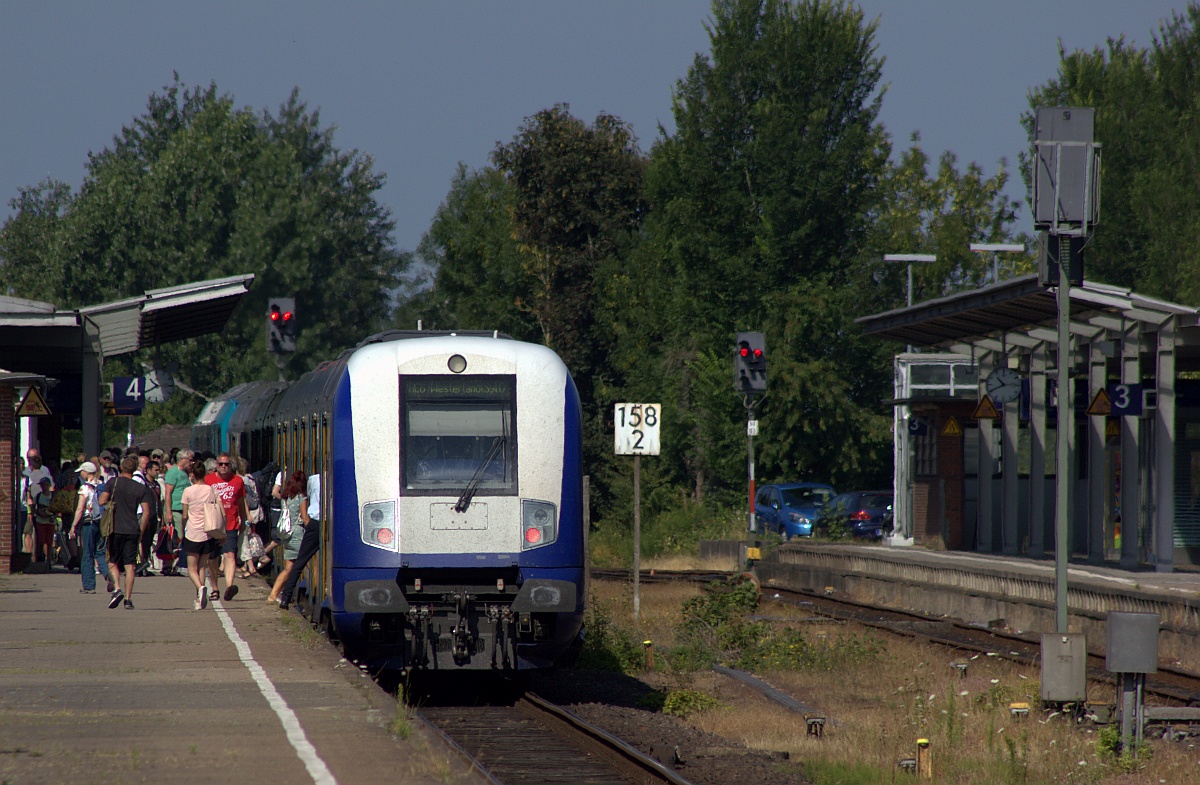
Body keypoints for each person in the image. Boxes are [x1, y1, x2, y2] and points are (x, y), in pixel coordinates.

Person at [98, 456, 155, 610]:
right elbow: (147, 512)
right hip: (132, 529)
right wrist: (140, 531)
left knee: (112, 560)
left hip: (115, 528)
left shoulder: (113, 483)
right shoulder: (141, 488)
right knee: (130, 565)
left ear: (122, 468)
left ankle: (117, 588)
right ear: (135, 468)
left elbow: (101, 501)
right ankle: (128, 599)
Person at [205, 452, 249, 601]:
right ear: (216, 466)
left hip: (231, 524)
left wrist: (243, 520)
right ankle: (215, 588)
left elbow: (241, 502)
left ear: (231, 466)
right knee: (212, 559)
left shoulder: (238, 481)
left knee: (230, 555)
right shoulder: (208, 480)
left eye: (226, 464)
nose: (223, 467)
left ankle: (229, 586)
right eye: (221, 464)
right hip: (213, 524)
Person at [277, 472, 321, 610]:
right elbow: (304, 515)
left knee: (298, 564)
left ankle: (285, 598)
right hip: (321, 523)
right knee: (311, 564)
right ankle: (318, 589)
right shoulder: (332, 477)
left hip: (313, 524)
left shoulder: (313, 480)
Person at [181, 461, 220, 610]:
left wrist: (182, 529)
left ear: (192, 475)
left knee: (191, 569)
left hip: (193, 532)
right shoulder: (211, 490)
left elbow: (185, 515)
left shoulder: (188, 491)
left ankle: (200, 588)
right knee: (201, 567)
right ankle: (199, 598)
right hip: (208, 533)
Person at [267, 471, 310, 605]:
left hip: (287, 535)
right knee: (308, 564)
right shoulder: (301, 497)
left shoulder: (286, 497)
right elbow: (304, 517)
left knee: (289, 567)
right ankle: (313, 588)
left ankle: (273, 595)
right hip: (297, 534)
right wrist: (311, 527)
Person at [69, 461, 112, 594]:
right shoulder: (102, 486)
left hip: (89, 522)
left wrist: (73, 526)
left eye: (82, 472)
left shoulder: (85, 488)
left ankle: (89, 585)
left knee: (87, 553)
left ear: (87, 473)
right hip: (101, 522)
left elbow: (80, 509)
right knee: (100, 552)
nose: (80, 475)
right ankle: (109, 575)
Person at [22, 449, 54, 555]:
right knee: (42, 536)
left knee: (33, 533)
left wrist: (30, 510)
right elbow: (52, 490)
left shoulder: (29, 476)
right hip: (41, 508)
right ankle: (43, 558)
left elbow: (28, 493)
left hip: (33, 507)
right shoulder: (43, 474)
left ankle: (33, 557)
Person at [31, 477, 57, 565]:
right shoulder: (38, 496)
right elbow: (33, 507)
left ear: (49, 485)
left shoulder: (53, 496)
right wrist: (38, 512)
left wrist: (54, 516)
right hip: (40, 521)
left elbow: (57, 508)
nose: (44, 487)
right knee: (41, 540)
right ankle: (40, 557)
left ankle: (49, 559)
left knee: (49, 541)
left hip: (50, 521)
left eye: (46, 485)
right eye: (42, 485)